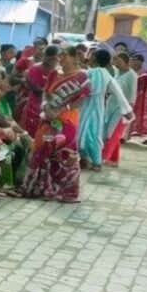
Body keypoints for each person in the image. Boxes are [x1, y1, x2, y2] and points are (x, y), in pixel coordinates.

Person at [20, 47, 89, 203]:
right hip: (48, 117)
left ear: (74, 57)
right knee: (42, 148)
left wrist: (63, 109)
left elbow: (82, 99)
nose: (61, 58)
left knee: (64, 151)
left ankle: (67, 191)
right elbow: (46, 92)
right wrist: (46, 106)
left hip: (67, 119)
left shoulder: (82, 76)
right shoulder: (54, 73)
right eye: (60, 55)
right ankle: (41, 187)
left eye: (64, 55)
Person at [77, 48, 129, 171]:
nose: (89, 57)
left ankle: (96, 161)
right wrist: (126, 109)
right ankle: (87, 159)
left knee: (90, 134)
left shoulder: (94, 72)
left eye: (91, 55)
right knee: (88, 134)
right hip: (95, 107)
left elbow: (90, 90)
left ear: (94, 58)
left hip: (90, 107)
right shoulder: (104, 73)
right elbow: (118, 92)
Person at [106, 52, 138, 165]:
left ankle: (105, 157)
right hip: (111, 105)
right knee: (111, 131)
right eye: (114, 60)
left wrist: (129, 109)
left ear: (126, 62)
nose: (116, 63)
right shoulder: (116, 72)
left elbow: (133, 94)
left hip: (123, 108)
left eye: (118, 61)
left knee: (113, 132)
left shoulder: (132, 75)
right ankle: (113, 159)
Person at [19, 46, 59, 135]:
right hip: (33, 109)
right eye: (50, 59)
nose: (53, 62)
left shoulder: (57, 72)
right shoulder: (35, 69)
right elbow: (36, 89)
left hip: (49, 111)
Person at [128, 54, 147, 139]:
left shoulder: (144, 74)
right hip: (132, 96)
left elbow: (145, 89)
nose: (134, 63)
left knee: (134, 114)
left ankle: (130, 132)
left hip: (139, 98)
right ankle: (128, 132)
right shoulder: (129, 71)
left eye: (137, 61)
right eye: (133, 60)